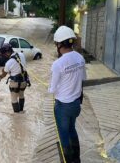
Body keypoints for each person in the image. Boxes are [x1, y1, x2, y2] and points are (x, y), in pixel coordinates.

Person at [48, 26, 86, 163]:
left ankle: (68, 160)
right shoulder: (80, 58)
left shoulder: (57, 64)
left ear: (59, 44)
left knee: (63, 133)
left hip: (63, 106)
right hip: (76, 104)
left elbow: (52, 89)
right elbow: (83, 79)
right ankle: (76, 158)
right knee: (72, 128)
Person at [0, 43, 30, 113]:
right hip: (24, 81)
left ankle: (17, 116)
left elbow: (4, 75)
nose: (3, 56)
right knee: (21, 95)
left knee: (14, 98)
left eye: (3, 54)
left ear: (7, 52)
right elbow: (20, 67)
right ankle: (21, 111)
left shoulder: (8, 63)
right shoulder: (21, 55)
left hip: (15, 83)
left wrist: (1, 75)